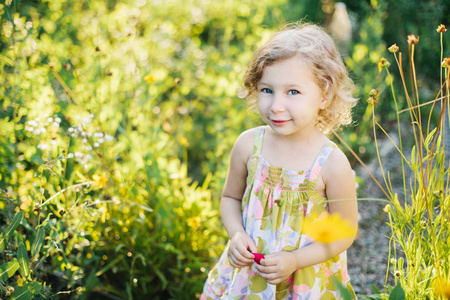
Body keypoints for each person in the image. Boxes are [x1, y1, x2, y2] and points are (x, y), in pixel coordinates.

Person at [201, 22, 359, 299]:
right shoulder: (249, 145)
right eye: (267, 90)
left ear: (324, 95)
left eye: (293, 92)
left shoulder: (331, 163)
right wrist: (236, 234)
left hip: (305, 281)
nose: (276, 106)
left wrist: (295, 260)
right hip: (248, 275)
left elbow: (344, 233)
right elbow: (230, 198)